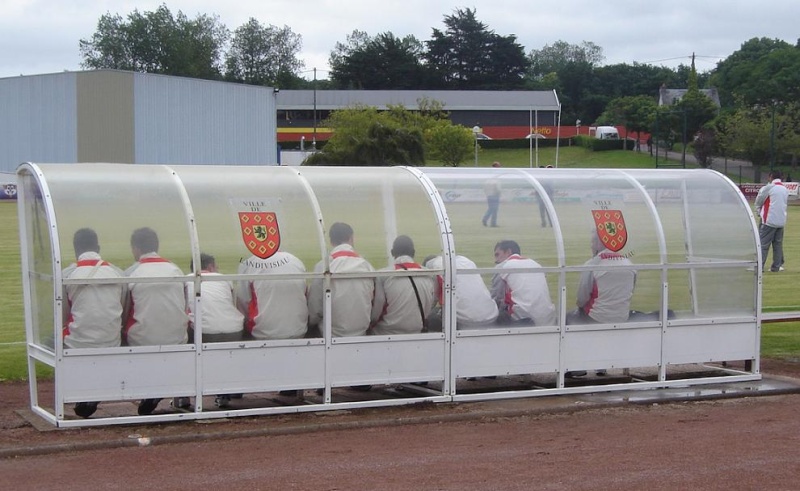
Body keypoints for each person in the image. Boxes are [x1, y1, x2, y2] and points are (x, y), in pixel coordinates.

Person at [123, 227, 190, 415]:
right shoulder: (175, 269)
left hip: (143, 338)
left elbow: (124, 310)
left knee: (122, 331)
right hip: (177, 336)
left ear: (135, 248)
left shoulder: (131, 272)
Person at [62, 228, 126, 418]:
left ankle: (82, 390)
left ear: (75, 249)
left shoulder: (67, 273)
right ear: (98, 247)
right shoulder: (117, 272)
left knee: (52, 338)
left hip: (77, 342)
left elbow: (62, 315)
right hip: (111, 339)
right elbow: (122, 307)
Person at [188, 253, 245, 409]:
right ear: (211, 266)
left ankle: (184, 394)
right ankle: (227, 388)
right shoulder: (223, 278)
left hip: (204, 331)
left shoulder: (186, 279)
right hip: (234, 329)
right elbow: (236, 304)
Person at [308, 222, 375, 338]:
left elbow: (315, 309)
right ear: (351, 238)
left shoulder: (324, 266)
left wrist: (310, 324)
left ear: (331, 242)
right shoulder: (367, 266)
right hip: (361, 333)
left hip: (329, 334)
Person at [370, 236, 436, 335]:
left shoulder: (382, 275)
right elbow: (430, 305)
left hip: (386, 333)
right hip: (417, 331)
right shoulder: (429, 275)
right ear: (413, 252)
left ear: (392, 252)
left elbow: (376, 312)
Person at [236, 249, 308, 340]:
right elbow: (305, 296)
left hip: (262, 333)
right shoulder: (297, 261)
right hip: (299, 330)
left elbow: (243, 303)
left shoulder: (248, 264)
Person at [490, 240, 556, 326]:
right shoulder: (535, 264)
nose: (496, 260)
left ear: (508, 252)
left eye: (497, 255)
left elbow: (496, 298)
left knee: (495, 315)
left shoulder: (503, 267)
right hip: (548, 319)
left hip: (523, 321)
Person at [423, 254, 498, 330]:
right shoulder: (465, 260)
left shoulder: (431, 265)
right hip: (491, 314)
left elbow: (432, 298)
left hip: (464, 320)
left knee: (431, 317)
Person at [755, 170, 789, 273]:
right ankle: (776, 266)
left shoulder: (769, 188)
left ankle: (759, 266)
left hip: (769, 220)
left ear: (770, 177)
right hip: (781, 220)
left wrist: (758, 211)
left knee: (763, 244)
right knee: (777, 245)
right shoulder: (784, 189)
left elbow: (759, 200)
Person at [482, 162, 502, 227]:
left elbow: (485, 187)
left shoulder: (489, 175)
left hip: (490, 195)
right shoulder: (494, 176)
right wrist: (499, 192)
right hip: (494, 195)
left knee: (493, 209)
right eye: (498, 166)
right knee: (493, 208)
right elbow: (497, 186)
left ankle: (492, 222)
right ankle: (486, 219)